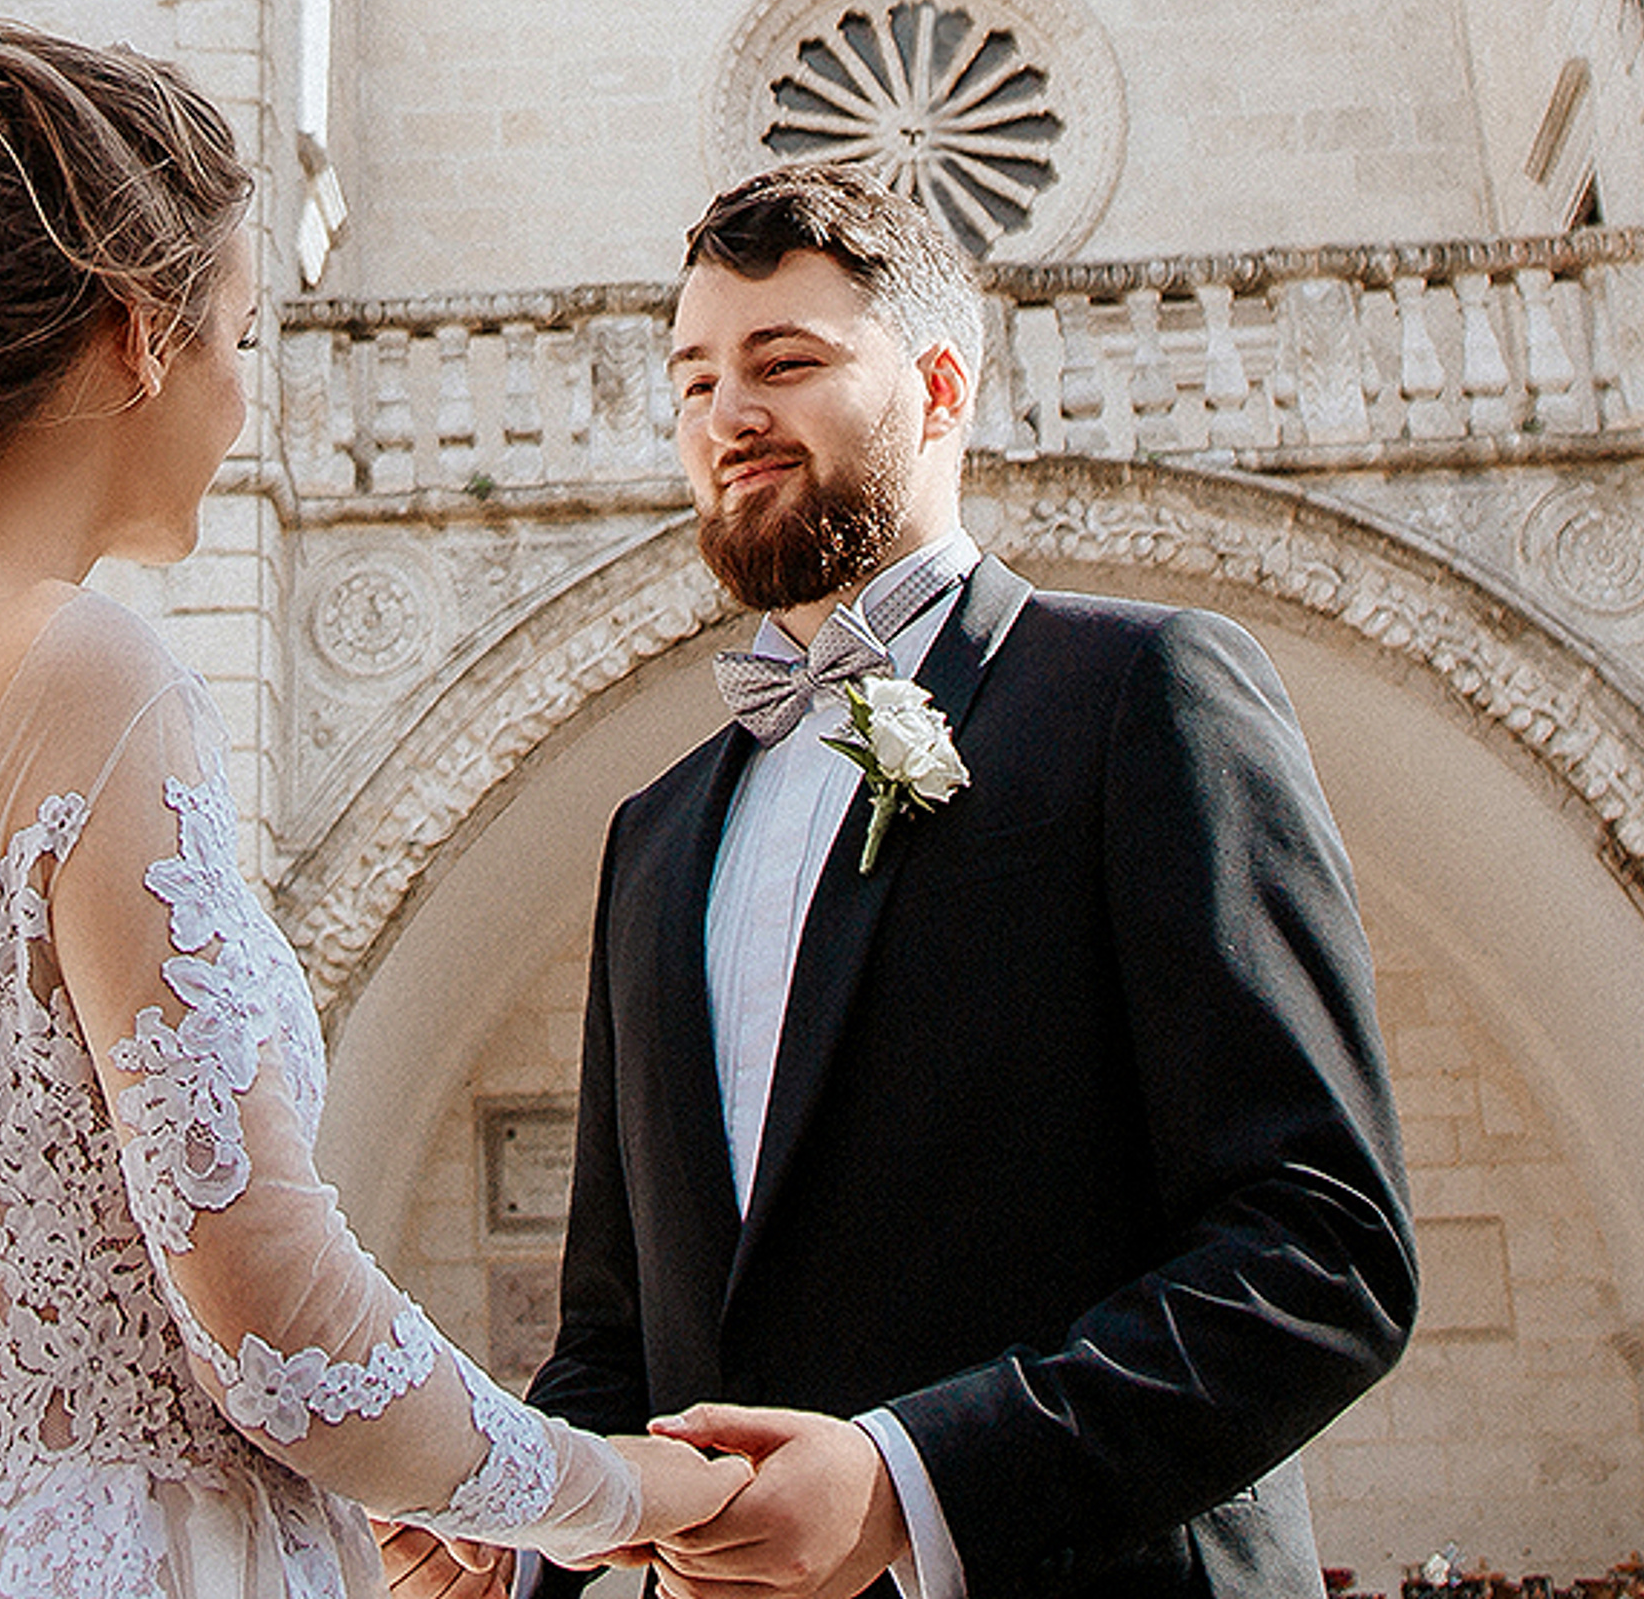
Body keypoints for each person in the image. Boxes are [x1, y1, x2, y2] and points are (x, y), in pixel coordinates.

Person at [0, 20, 746, 1599]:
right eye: (243, 336)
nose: (247, 401)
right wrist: (625, 1489)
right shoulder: (89, 673)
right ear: (136, 334)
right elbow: (270, 1311)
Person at [526, 162, 1417, 1599]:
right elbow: (616, 1342)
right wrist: (515, 1533)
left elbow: (1321, 1253)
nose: (726, 416)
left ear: (941, 387)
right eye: (693, 381)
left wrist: (908, 1481)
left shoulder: (1140, 695)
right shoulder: (653, 835)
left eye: (786, 363)